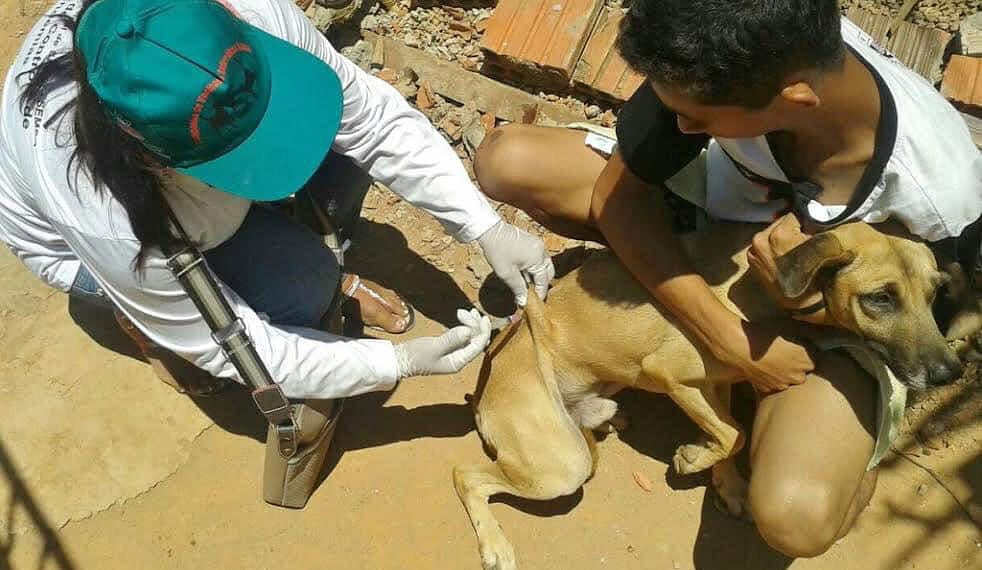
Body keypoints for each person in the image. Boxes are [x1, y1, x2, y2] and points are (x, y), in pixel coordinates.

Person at [473, 0, 981, 558]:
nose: (682, 126)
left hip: (827, 308)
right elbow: (619, 204)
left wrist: (806, 309)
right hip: (717, 219)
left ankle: (815, 435)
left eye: (700, 119)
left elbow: (922, 310)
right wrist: (729, 338)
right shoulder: (719, 43)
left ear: (794, 101)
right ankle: (707, 354)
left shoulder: (939, 192)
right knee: (509, 159)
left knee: (796, 520)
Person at [0, 0, 555, 402]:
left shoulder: (238, 18)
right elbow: (239, 346)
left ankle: (274, 236)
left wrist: (484, 226)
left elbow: (375, 123)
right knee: (303, 287)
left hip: (186, 197)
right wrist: (396, 363)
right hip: (108, 248)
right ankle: (141, 321)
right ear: (149, 155)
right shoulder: (105, 214)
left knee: (342, 159)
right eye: (242, 153)